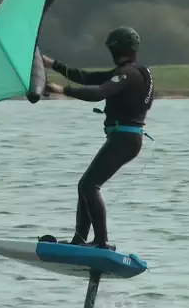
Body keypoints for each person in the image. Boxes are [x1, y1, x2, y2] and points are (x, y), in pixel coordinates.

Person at [42, 26, 155, 250]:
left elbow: (98, 93)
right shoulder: (135, 71)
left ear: (116, 49)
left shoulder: (128, 74)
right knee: (85, 185)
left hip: (124, 139)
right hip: (126, 138)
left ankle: (101, 243)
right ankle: (80, 241)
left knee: (89, 185)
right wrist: (52, 64)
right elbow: (87, 77)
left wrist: (63, 91)